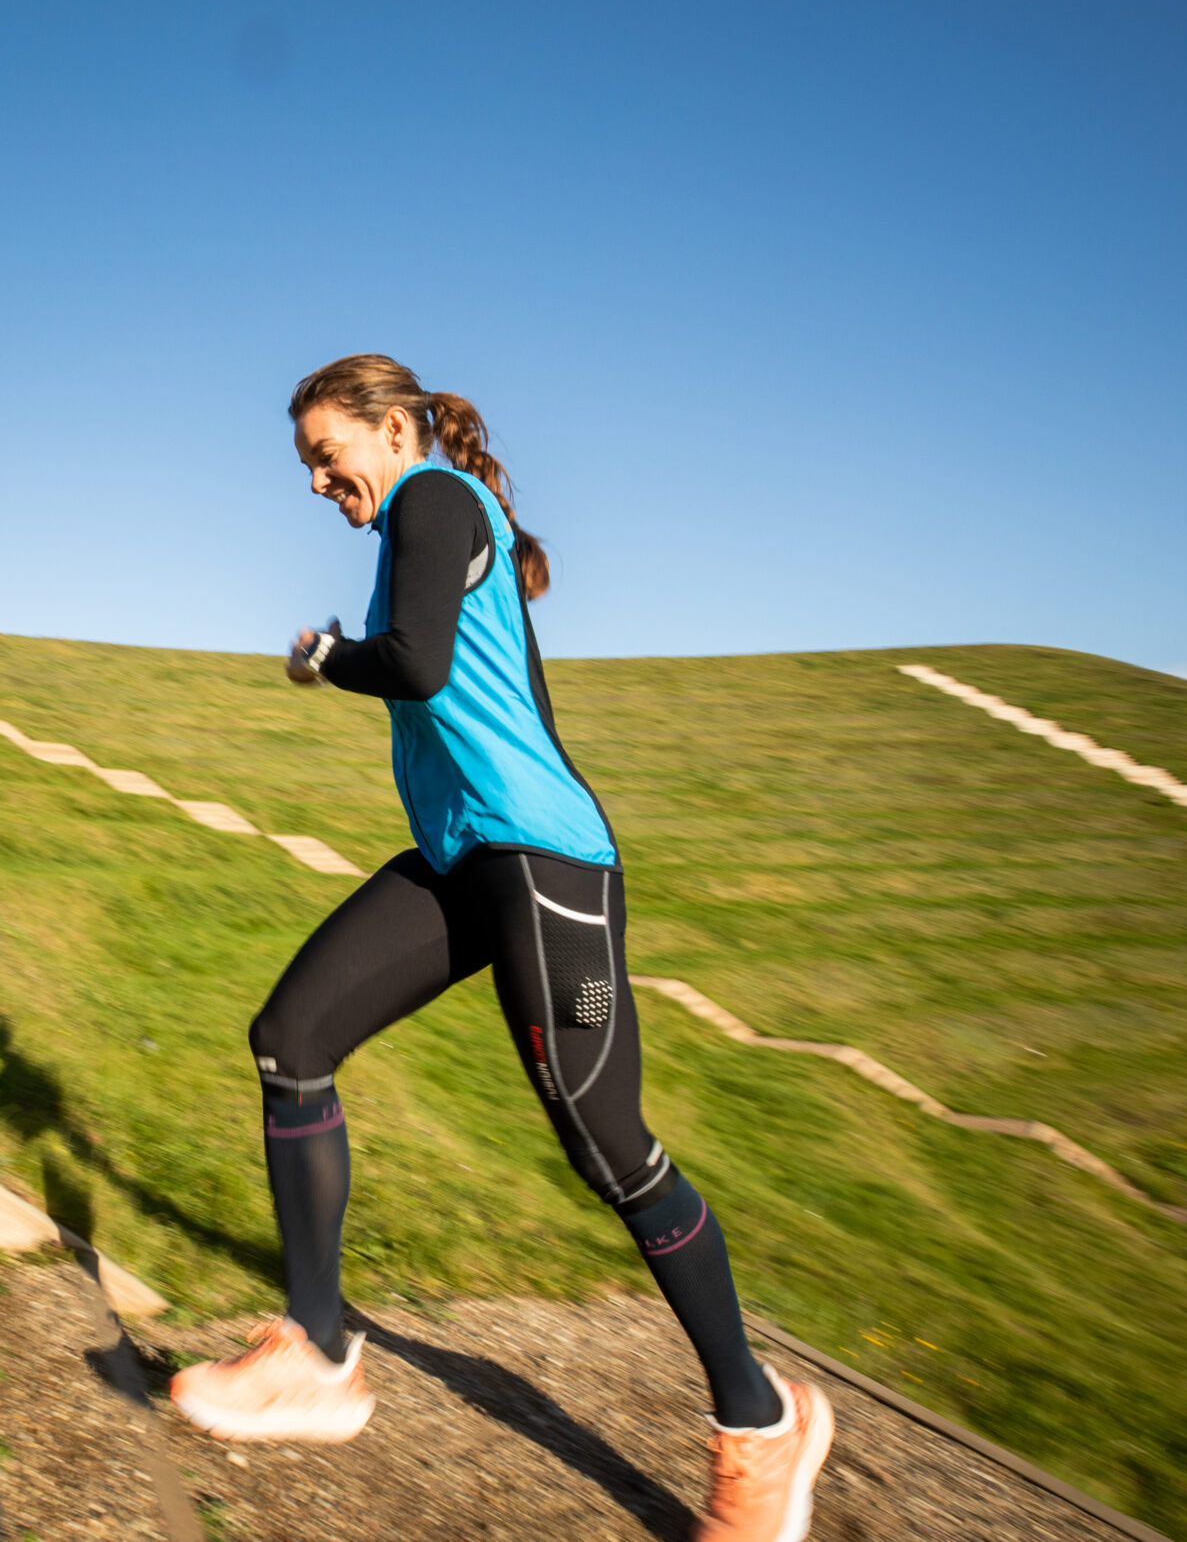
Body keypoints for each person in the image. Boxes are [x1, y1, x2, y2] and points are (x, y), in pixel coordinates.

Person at [168, 355, 834, 1542]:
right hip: (467, 858)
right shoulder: (421, 519)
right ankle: (317, 1356)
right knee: (294, 1037)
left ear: (392, 427)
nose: (317, 481)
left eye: (328, 454)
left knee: (608, 1146)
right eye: (306, 466)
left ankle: (761, 1421)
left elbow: (415, 662)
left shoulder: (432, 498)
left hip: (542, 864)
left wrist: (323, 659)